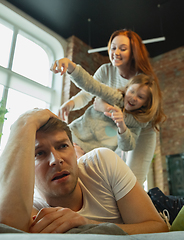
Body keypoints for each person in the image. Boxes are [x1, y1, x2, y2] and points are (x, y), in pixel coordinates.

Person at [0, 108, 169, 234]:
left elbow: (158, 227)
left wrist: (89, 225)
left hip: (163, 204)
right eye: (40, 153)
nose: (56, 160)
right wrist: (24, 122)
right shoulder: (33, 207)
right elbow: (5, 225)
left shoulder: (101, 162)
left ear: (75, 152)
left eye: (63, 146)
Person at [57, 29, 166, 184]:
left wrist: (106, 108)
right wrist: (70, 103)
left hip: (143, 129)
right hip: (112, 127)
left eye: (123, 48)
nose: (116, 52)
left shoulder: (142, 81)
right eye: (113, 47)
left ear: (133, 52)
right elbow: (91, 88)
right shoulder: (108, 75)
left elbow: (143, 120)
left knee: (135, 180)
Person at [51, 58, 161, 157]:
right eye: (132, 91)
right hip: (71, 136)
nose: (133, 98)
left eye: (140, 97)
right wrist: (71, 66)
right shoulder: (114, 96)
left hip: (89, 155)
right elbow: (92, 85)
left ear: (146, 103)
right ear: (127, 89)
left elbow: (127, 146)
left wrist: (122, 126)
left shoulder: (137, 122)